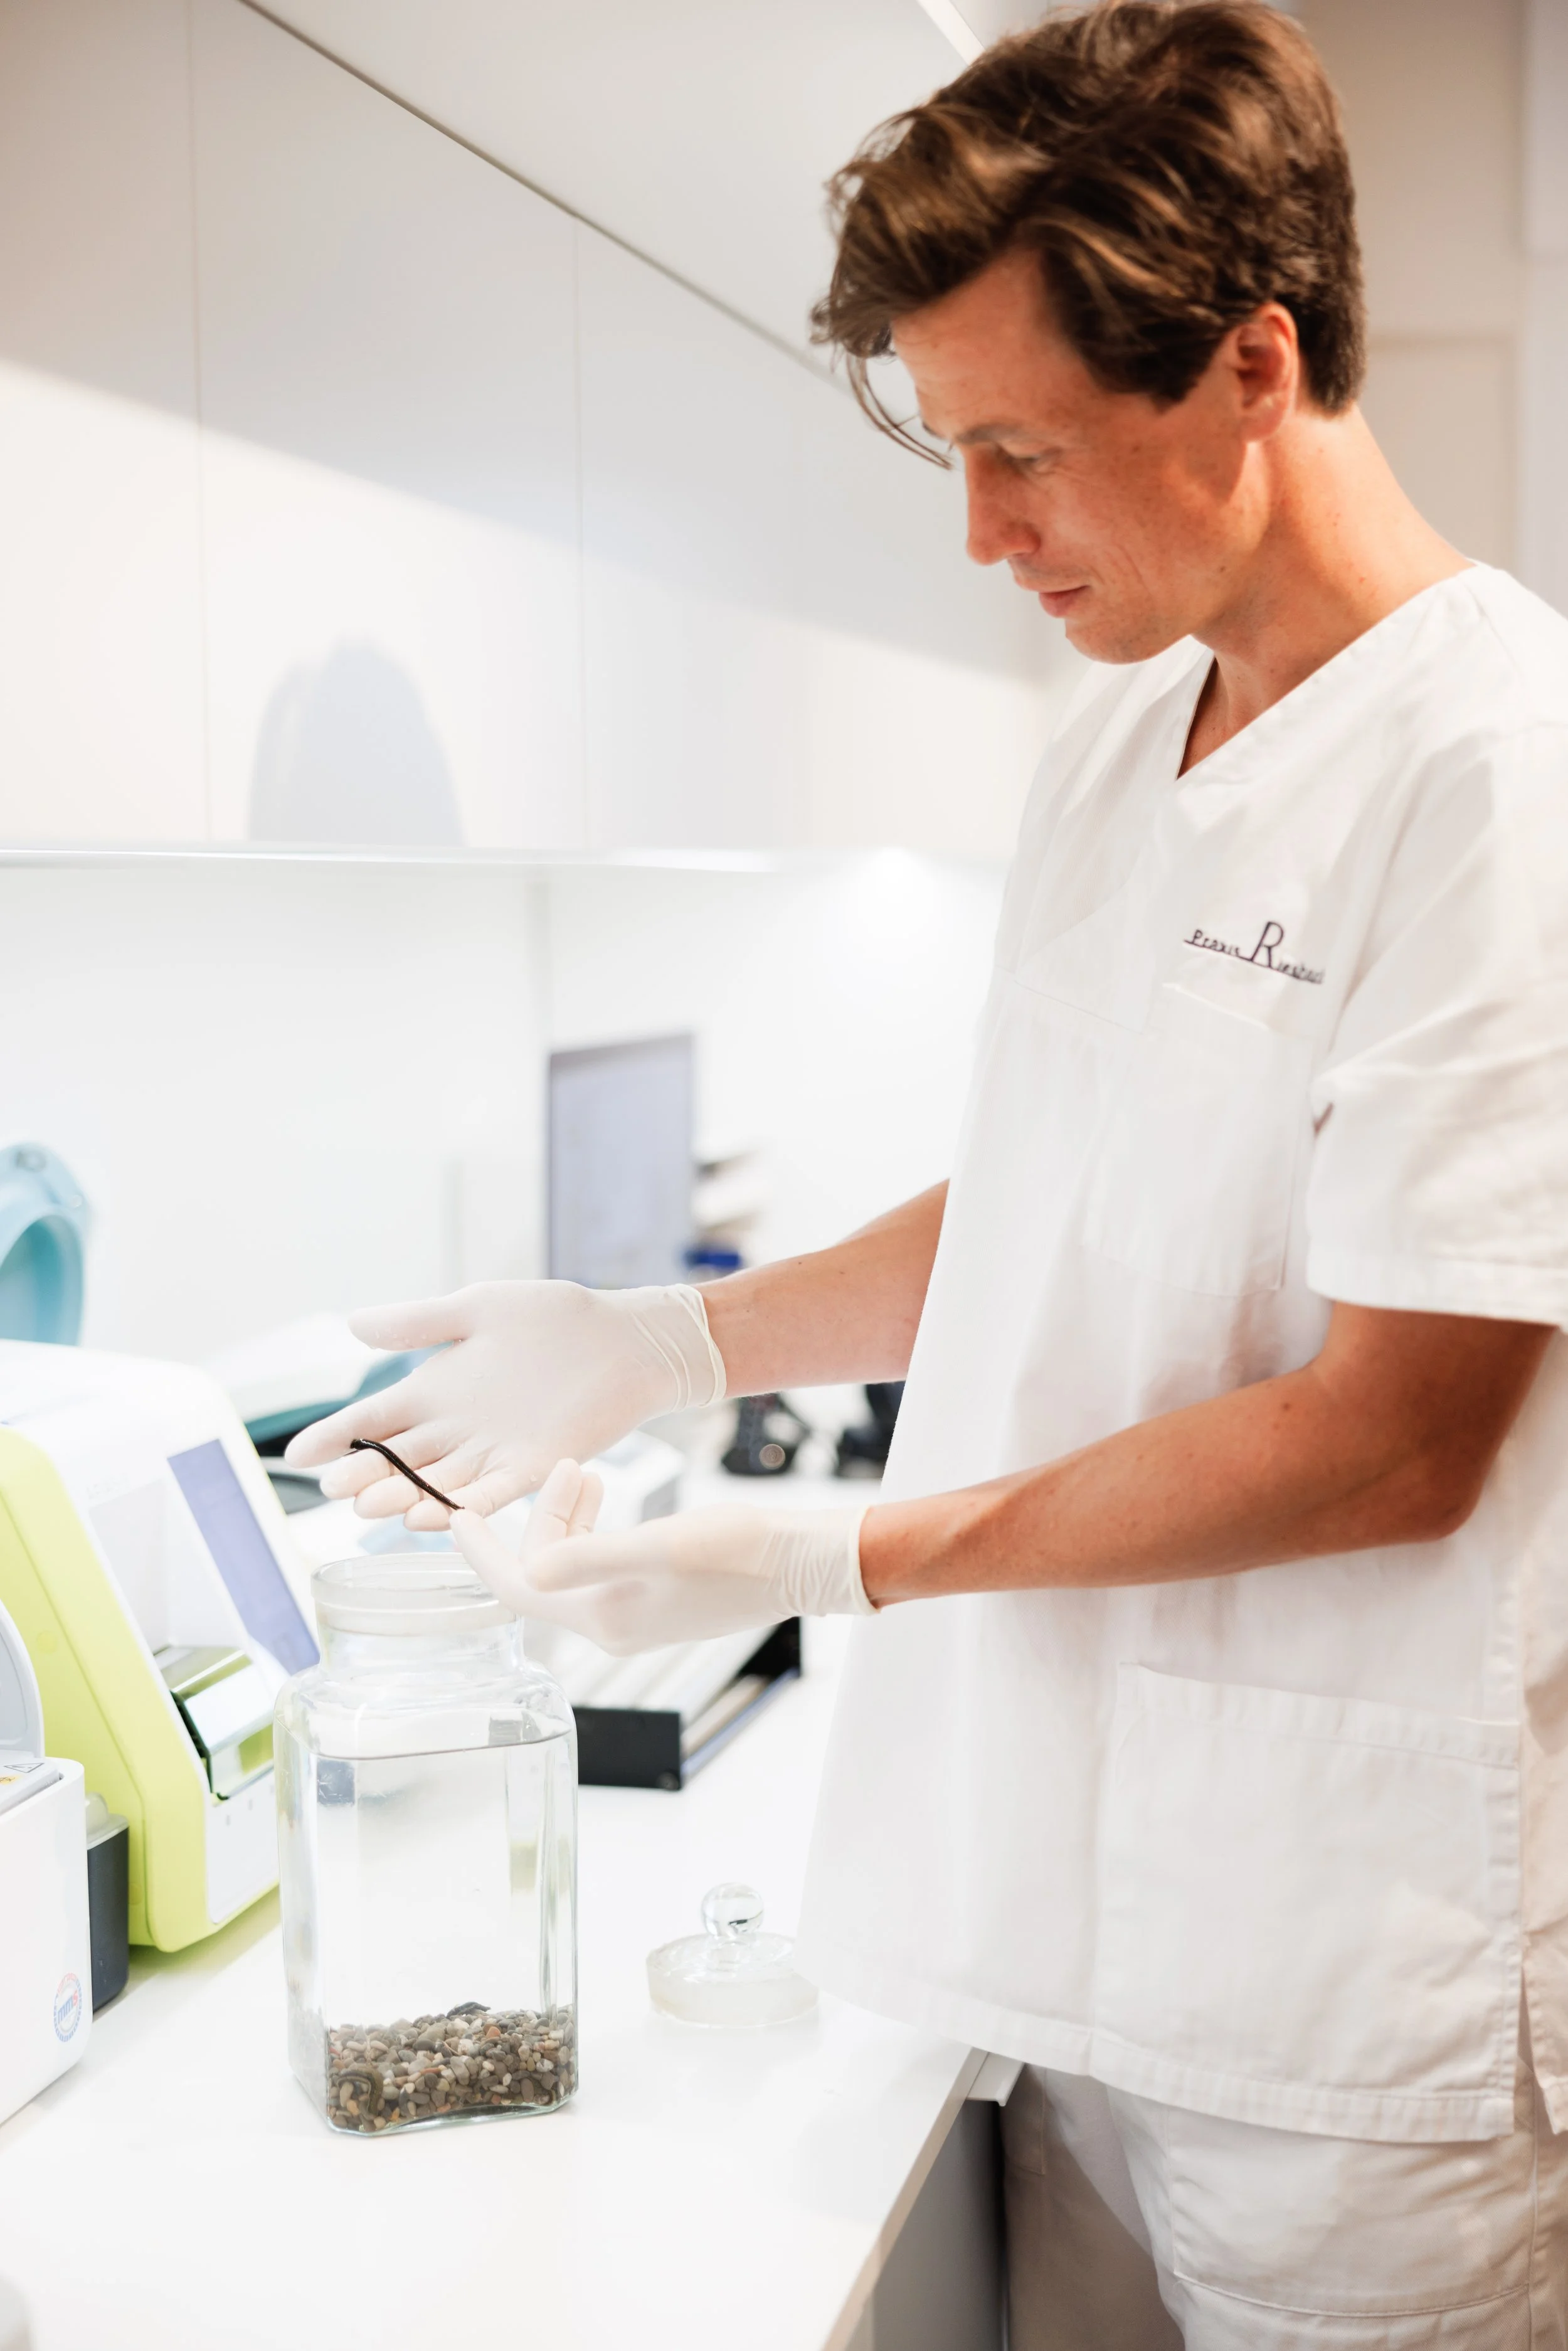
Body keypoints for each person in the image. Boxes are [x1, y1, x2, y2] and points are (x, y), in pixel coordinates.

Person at [288, 4, 1568, 2339]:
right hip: (1063, 1933)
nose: (983, 532)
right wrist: (669, 1339)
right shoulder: (1118, 731)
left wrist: (833, 1551)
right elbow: (1064, 1197)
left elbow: (1398, 1435)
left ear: (1253, 363)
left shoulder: (1499, 771)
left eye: (1021, 452)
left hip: (1343, 2010)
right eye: (952, 449)